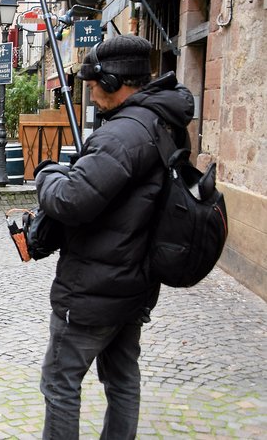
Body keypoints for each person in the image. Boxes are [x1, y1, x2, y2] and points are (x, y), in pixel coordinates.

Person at [34, 35, 194, 439]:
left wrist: (48, 173)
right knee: (122, 379)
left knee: (60, 382)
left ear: (113, 81)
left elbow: (70, 200)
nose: (89, 95)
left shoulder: (123, 135)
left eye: (92, 86)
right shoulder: (162, 123)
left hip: (95, 289)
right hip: (133, 282)